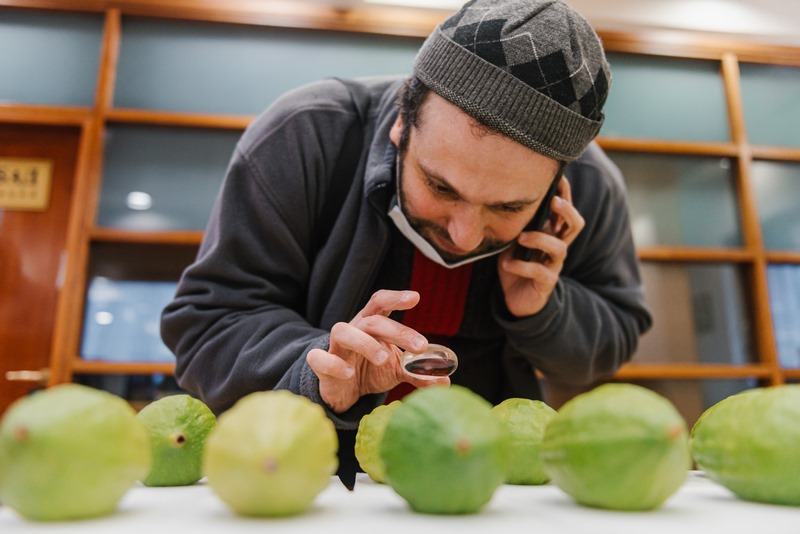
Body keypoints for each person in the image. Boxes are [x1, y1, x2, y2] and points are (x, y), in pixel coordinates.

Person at [161, 0, 652, 475]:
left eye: (508, 207)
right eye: (440, 186)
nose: (463, 236)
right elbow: (209, 322)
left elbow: (614, 336)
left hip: (482, 482)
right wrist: (323, 370)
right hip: (298, 476)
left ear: (557, 181)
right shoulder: (308, 136)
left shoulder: (592, 188)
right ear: (401, 123)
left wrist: (547, 312)